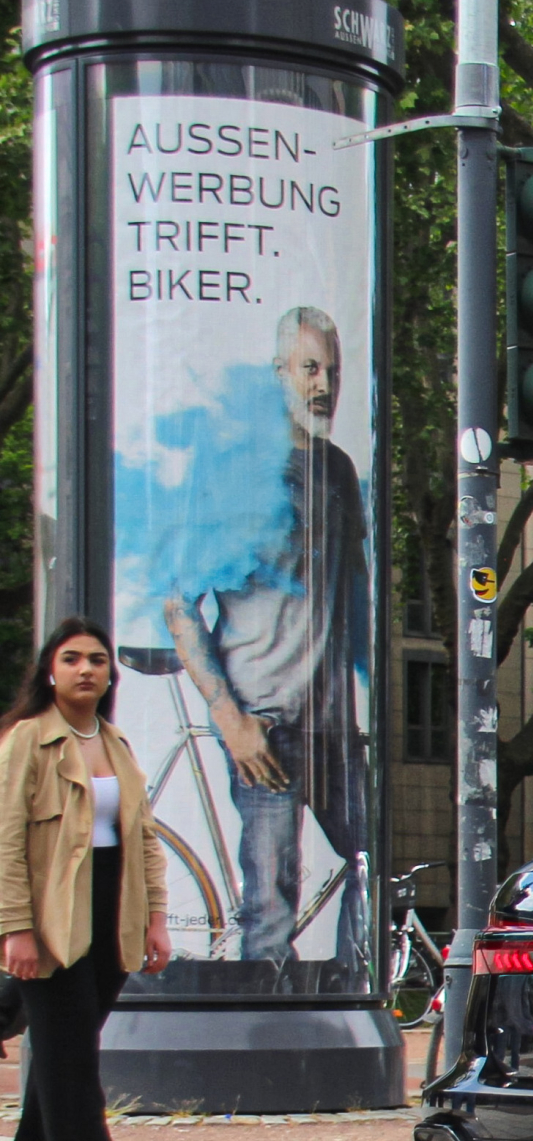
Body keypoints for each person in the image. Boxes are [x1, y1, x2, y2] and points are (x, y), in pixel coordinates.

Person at [163, 304, 370, 973]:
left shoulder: (337, 470)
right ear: (277, 372)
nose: (323, 385)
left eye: (332, 372)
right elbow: (177, 599)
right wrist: (229, 717)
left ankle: (347, 1001)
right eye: (309, 367)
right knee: (271, 905)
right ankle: (266, 1030)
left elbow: (357, 592)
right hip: (263, 721)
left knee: (375, 863)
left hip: (333, 726)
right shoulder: (230, 470)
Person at [0, 619, 172, 1141]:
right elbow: (6, 840)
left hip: (113, 912)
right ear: (50, 670)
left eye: (96, 659)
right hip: (51, 918)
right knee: (72, 1061)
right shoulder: (26, 740)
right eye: (71, 658)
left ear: (109, 674)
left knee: (61, 1057)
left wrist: (156, 919)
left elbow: (145, 840)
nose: (85, 669)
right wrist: (15, 929)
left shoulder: (116, 744)